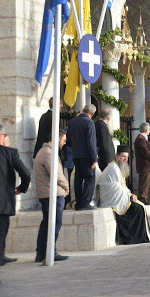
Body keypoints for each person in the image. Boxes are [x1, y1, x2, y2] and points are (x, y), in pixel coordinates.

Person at [96, 146, 150, 245]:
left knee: (140, 207)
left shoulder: (118, 167)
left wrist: (130, 194)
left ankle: (138, 236)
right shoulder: (113, 168)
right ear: (117, 156)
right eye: (123, 156)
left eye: (127, 157)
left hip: (119, 197)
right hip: (112, 200)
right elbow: (116, 188)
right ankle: (132, 237)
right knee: (138, 209)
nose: (125, 159)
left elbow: (122, 186)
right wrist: (129, 196)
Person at [34, 129, 70, 263]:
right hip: (52, 193)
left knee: (46, 223)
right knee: (54, 223)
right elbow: (56, 174)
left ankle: (41, 252)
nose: (64, 143)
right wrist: (66, 186)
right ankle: (50, 252)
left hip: (46, 193)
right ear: (57, 139)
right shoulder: (49, 154)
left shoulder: (44, 152)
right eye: (63, 140)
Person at [0, 124, 31, 266]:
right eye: (6, 135)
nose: (8, 138)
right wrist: (22, 188)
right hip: (3, 200)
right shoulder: (10, 153)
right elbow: (26, 173)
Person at [67, 104, 98, 211]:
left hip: (76, 155)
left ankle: (78, 203)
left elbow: (69, 140)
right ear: (92, 114)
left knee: (78, 179)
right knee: (89, 178)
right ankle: (85, 203)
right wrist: (94, 158)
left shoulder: (72, 121)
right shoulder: (89, 122)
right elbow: (91, 141)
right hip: (87, 156)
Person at [134, 123, 150, 205]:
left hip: (147, 165)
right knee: (144, 183)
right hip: (145, 165)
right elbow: (145, 152)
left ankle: (144, 198)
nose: (149, 131)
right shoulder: (140, 139)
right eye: (149, 129)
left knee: (146, 183)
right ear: (146, 130)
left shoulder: (143, 138)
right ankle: (142, 198)